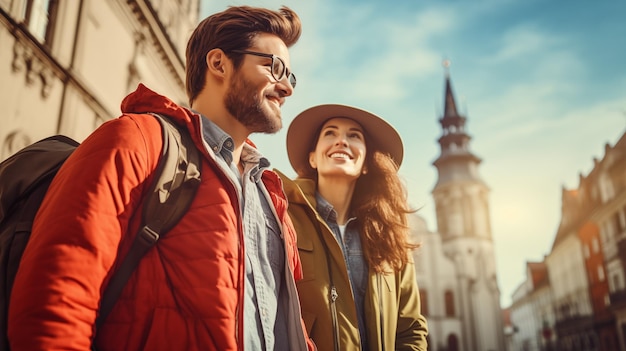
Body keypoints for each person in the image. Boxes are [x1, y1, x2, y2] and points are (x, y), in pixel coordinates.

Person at [8, 5, 316, 351]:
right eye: (273, 67)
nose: (286, 88)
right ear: (219, 64)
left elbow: (286, 324)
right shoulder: (138, 140)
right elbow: (58, 295)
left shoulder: (270, 196)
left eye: (289, 76)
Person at [277, 104, 429, 350]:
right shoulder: (282, 219)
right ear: (313, 158)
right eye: (330, 133)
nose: (341, 141)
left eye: (353, 135)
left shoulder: (392, 239)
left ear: (366, 164)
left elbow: (411, 329)